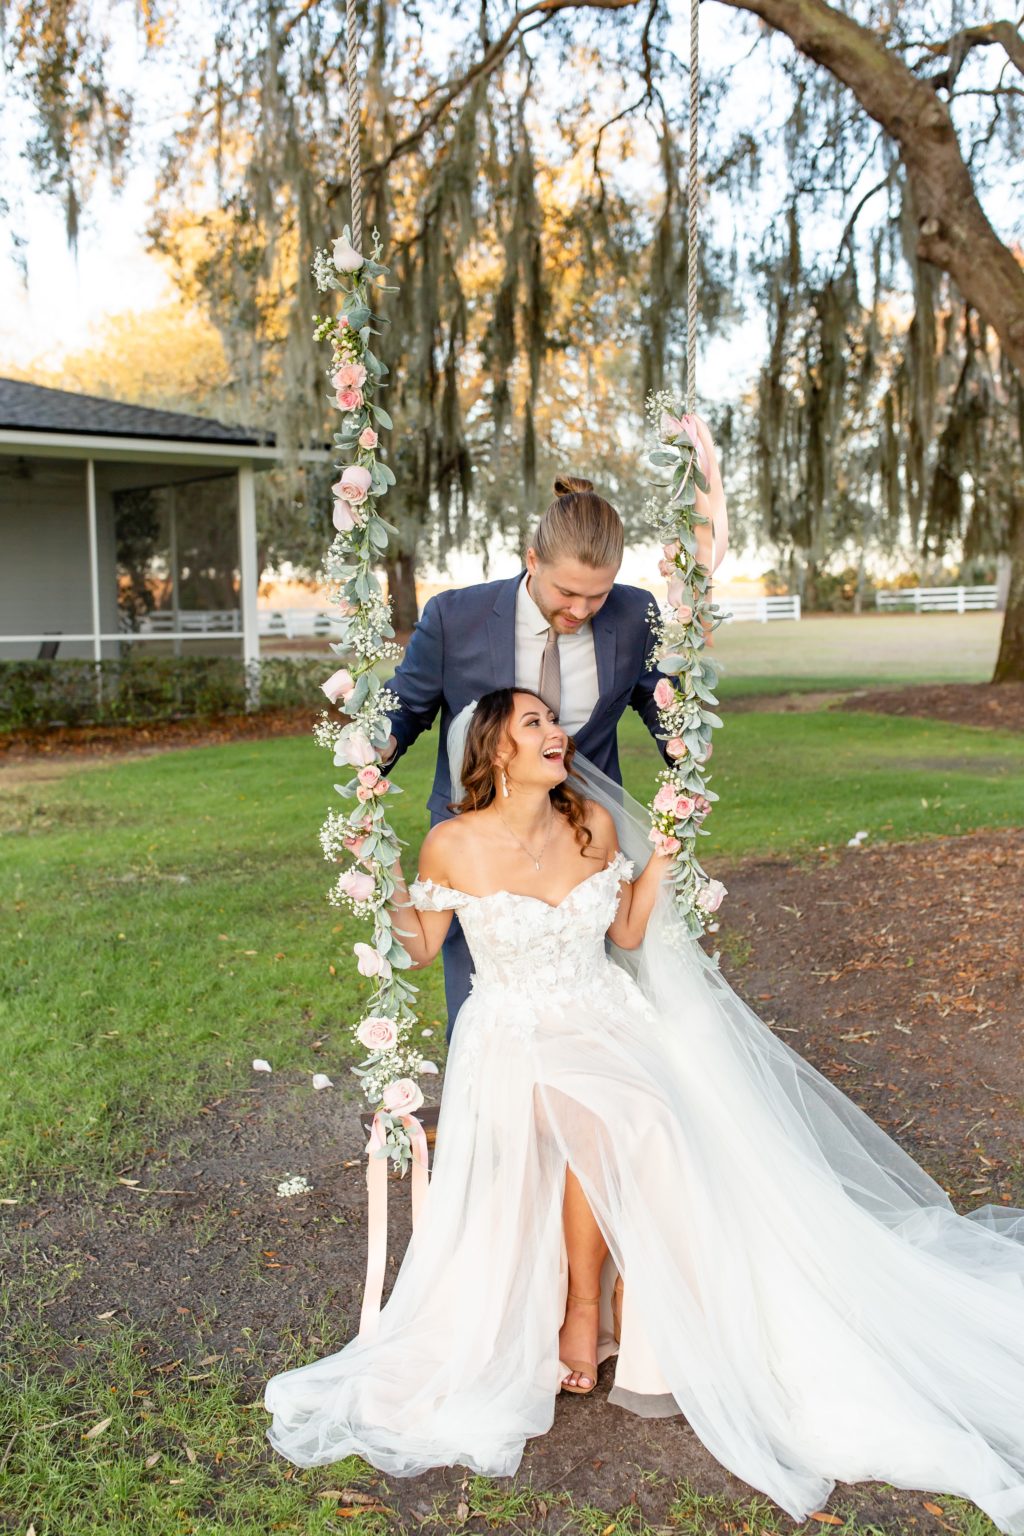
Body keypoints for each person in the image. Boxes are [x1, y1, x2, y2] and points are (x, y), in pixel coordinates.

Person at [266, 688, 1024, 1532]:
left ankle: (609, 1314)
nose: (557, 733)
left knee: (648, 1120)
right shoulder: (451, 841)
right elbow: (422, 948)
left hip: (608, 1020)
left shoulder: (590, 822)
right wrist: (373, 869)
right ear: (493, 753)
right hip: (515, 1036)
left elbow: (625, 937)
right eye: (534, 725)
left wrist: (666, 852)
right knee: (620, 1122)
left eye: (555, 720)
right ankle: (586, 1308)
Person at [379, 428, 726, 1038]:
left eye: (598, 594)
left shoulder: (634, 614)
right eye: (567, 592)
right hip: (481, 842)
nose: (581, 610)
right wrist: (369, 761)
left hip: (587, 848)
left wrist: (687, 761)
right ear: (532, 560)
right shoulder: (454, 618)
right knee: (487, 1010)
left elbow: (664, 712)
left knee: (608, 1007)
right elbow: (403, 712)